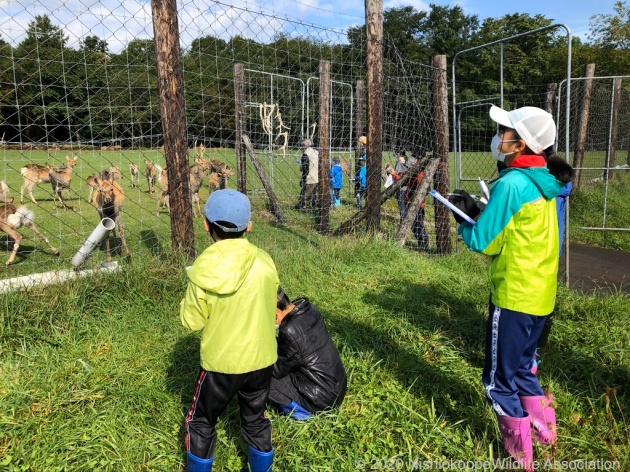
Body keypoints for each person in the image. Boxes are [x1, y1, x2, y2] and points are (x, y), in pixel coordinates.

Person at [448, 106, 573, 470]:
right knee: (522, 371)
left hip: (513, 296)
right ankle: (547, 436)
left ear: (519, 144)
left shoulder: (511, 184)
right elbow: (521, 232)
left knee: (497, 382)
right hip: (540, 296)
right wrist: (486, 211)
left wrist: (464, 220)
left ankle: (520, 458)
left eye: (503, 131)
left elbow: (485, 242)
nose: (498, 137)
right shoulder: (547, 182)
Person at [180, 189, 279, 472]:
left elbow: (192, 321)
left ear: (206, 225)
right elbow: (272, 301)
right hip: (262, 360)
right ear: (249, 226)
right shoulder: (265, 261)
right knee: (256, 418)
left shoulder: (203, 269)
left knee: (201, 420)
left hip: (220, 365)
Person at [268, 287, 347, 420]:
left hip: (320, 401)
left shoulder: (289, 331)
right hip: (337, 387)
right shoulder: (309, 309)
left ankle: (303, 414)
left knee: (260, 375)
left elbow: (276, 370)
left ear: (275, 313)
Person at [389, 153, 429, 250]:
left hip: (417, 203)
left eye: (414, 158)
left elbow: (418, 184)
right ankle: (422, 243)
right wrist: (394, 173)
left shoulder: (420, 173)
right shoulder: (412, 170)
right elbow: (404, 179)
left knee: (418, 224)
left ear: (418, 160)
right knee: (414, 224)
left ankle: (424, 243)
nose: (411, 160)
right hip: (410, 201)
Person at [297, 139, 318, 210]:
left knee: (305, 196)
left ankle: (304, 209)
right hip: (319, 178)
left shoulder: (305, 154)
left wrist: (303, 179)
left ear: (303, 147)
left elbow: (305, 169)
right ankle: (315, 208)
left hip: (310, 179)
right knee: (317, 195)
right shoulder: (317, 152)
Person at [394, 150, 409, 220]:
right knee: (405, 205)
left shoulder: (399, 164)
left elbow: (397, 175)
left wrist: (390, 172)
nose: (397, 157)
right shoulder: (408, 163)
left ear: (401, 156)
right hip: (408, 188)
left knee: (402, 205)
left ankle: (403, 221)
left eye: (398, 155)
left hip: (401, 188)